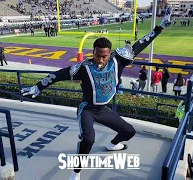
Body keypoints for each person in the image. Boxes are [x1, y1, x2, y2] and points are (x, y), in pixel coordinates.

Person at [21, 7, 172, 180]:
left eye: (104, 56)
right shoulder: (83, 68)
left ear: (110, 54)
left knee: (129, 132)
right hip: (88, 110)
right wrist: (38, 87)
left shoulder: (118, 60)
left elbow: (140, 44)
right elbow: (58, 75)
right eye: (98, 55)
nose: (101, 59)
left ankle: (112, 145)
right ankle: (76, 172)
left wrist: (160, 28)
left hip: (103, 110)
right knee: (89, 139)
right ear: (93, 52)